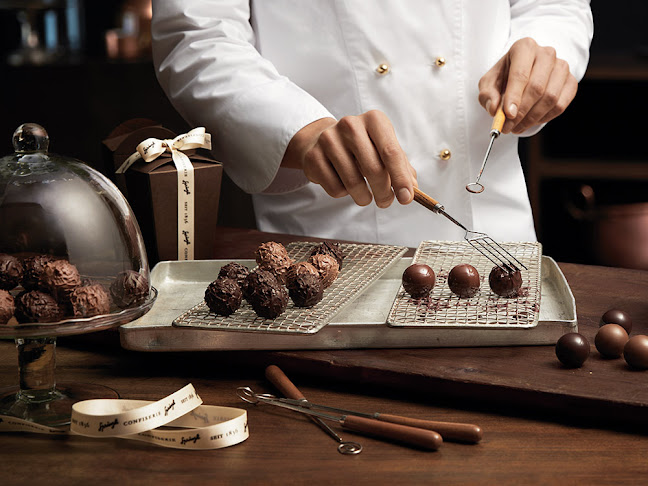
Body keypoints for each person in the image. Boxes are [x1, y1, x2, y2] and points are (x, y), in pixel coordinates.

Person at [151, 1, 593, 248]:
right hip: (335, 235)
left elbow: (554, 5)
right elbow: (197, 37)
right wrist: (299, 128)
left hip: (498, 228)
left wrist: (547, 51)